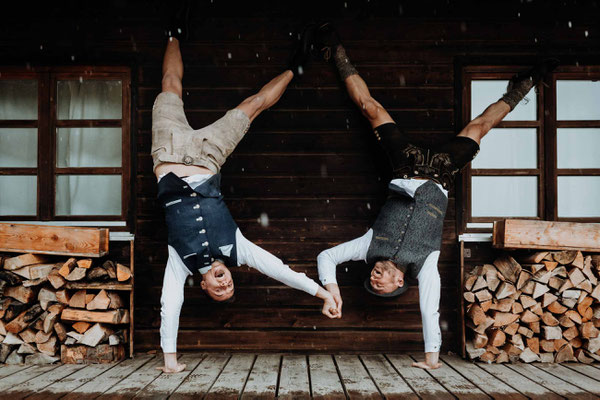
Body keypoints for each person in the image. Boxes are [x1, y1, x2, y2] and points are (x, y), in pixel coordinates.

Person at [313, 22, 557, 369]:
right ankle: (526, 83)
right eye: (381, 284)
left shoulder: (367, 248)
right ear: (400, 281)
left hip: (405, 166)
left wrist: (330, 288)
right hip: (442, 172)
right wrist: (432, 358)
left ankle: (335, 50)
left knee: (371, 109)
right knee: (478, 128)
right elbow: (430, 307)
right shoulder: (425, 265)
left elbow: (327, 257)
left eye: (372, 281)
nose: (374, 278)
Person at [153, 22, 339, 373]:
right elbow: (283, 272)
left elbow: (169, 304)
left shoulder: (180, 262)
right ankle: (295, 64)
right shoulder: (239, 249)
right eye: (229, 287)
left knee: (170, 86)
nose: (224, 284)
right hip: (209, 156)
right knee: (253, 105)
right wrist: (323, 293)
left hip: (167, 151)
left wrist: (170, 362)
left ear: (205, 286)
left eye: (217, 290)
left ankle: (174, 30)